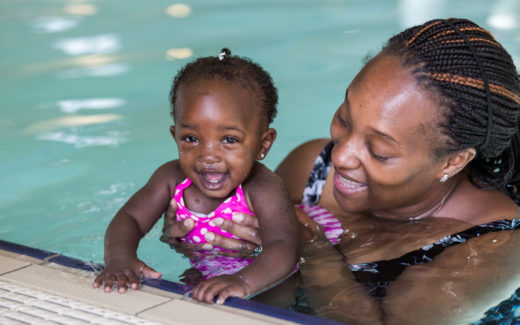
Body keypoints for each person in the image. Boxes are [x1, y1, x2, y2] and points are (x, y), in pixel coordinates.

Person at [161, 18, 520, 324]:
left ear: (452, 161)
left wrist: (309, 247)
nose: (342, 155)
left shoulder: (494, 245)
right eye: (345, 118)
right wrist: (201, 235)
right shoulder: (311, 167)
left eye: (379, 151)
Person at [93, 49, 299, 305]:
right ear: (175, 135)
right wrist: (120, 259)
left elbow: (284, 246)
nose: (208, 155)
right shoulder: (171, 178)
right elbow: (130, 218)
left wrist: (242, 282)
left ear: (262, 144)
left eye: (229, 139)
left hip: (262, 284)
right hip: (200, 275)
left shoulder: (264, 188)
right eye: (191, 138)